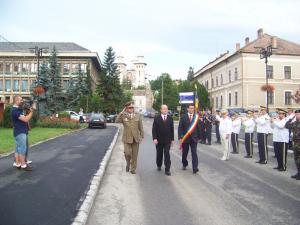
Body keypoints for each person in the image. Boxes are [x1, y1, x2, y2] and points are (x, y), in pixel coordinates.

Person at [116, 102, 144, 174]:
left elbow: (141, 127)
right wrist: (121, 112)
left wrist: (141, 136)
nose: (131, 109)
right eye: (129, 108)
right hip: (126, 138)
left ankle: (133, 169)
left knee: (135, 155)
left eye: (132, 107)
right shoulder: (123, 115)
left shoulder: (138, 115)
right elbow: (117, 121)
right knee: (127, 153)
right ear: (126, 108)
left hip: (136, 138)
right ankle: (128, 163)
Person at [11, 96, 34, 171]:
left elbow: (24, 115)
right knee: (22, 149)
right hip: (20, 132)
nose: (22, 101)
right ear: (16, 101)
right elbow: (25, 119)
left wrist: (30, 107)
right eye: (21, 100)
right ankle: (23, 165)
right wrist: (31, 112)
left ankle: (18, 164)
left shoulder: (18, 109)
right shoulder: (15, 110)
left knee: (18, 149)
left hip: (20, 131)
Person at [178, 104, 201, 174]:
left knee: (194, 153)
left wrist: (199, 137)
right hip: (185, 138)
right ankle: (184, 164)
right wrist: (180, 137)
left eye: (193, 108)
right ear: (187, 109)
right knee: (185, 153)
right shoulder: (183, 117)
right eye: (190, 108)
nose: (192, 110)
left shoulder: (196, 117)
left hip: (194, 138)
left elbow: (198, 128)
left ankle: (195, 168)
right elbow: (180, 128)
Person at [152, 105, 174, 176]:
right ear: (161, 110)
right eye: (164, 109)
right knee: (159, 153)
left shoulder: (170, 118)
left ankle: (167, 169)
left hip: (167, 140)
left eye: (166, 109)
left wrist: (172, 139)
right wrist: (154, 138)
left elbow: (172, 129)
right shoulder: (157, 118)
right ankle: (159, 165)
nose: (165, 110)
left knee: (167, 154)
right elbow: (154, 129)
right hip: (159, 140)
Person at [285, 109, 300, 180]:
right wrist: (291, 118)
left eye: (298, 114)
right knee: (296, 159)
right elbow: (286, 125)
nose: (297, 115)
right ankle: (298, 172)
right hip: (296, 143)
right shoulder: (295, 123)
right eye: (296, 114)